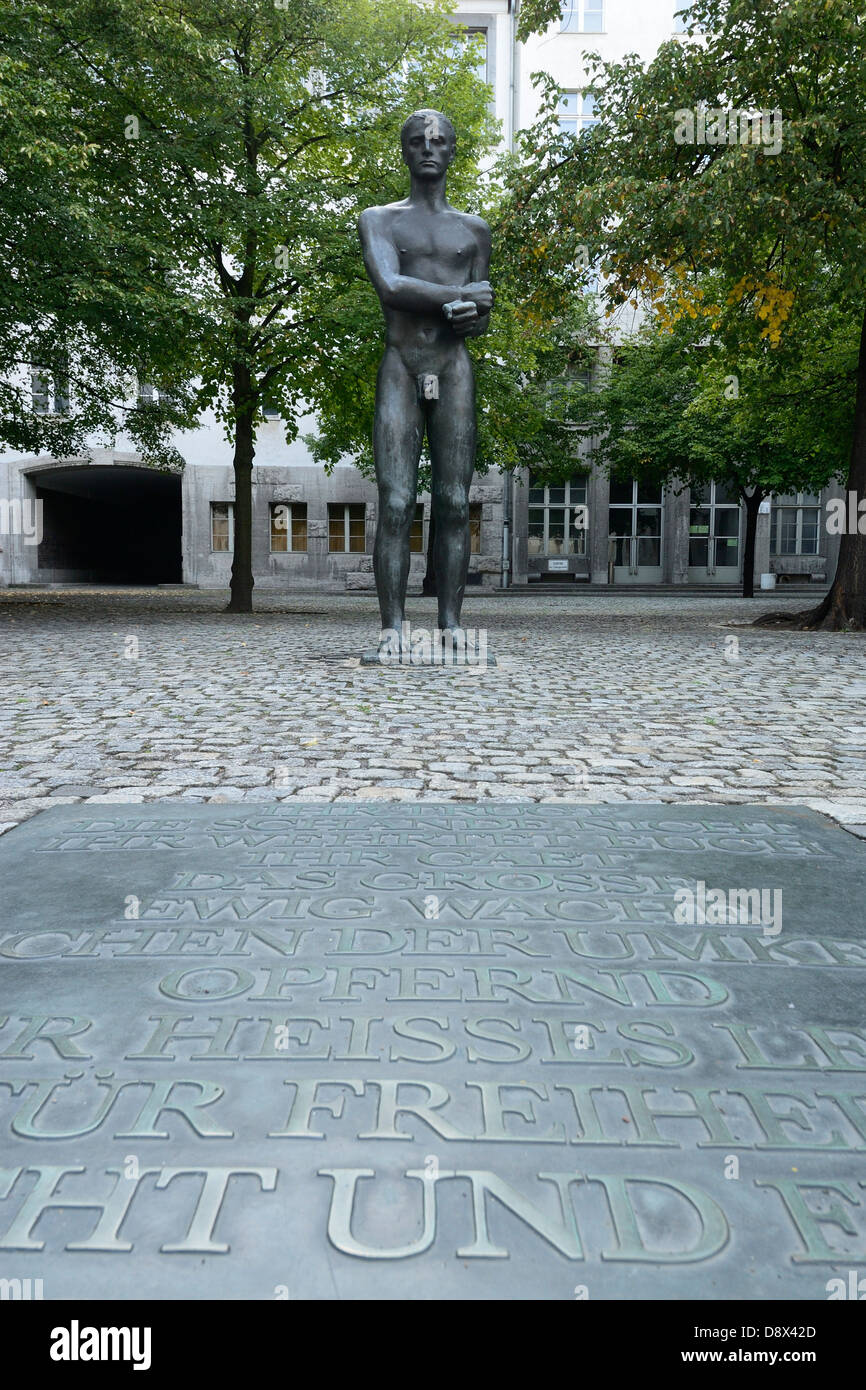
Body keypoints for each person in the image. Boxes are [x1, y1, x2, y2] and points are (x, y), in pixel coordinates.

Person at [358, 110, 494, 642]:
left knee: (456, 501)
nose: (428, 148)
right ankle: (393, 626)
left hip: (453, 367)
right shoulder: (380, 219)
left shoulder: (474, 231)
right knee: (395, 500)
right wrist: (460, 298)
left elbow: (478, 318)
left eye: (438, 141)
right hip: (402, 364)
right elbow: (390, 286)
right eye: (417, 141)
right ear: (405, 151)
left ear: (452, 149)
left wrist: (471, 314)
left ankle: (451, 624)